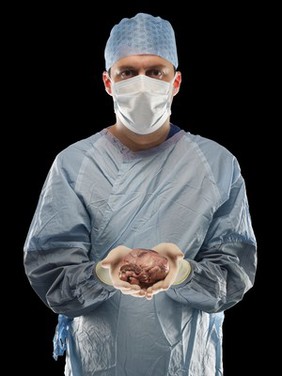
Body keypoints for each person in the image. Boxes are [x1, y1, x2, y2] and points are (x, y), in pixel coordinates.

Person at [23, 12, 257, 376]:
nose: (143, 83)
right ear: (107, 81)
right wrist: (103, 274)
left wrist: (180, 272)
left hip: (189, 363)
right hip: (96, 361)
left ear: (176, 81)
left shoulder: (217, 165)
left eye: (156, 72)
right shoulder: (74, 164)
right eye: (128, 72)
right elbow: (51, 275)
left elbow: (235, 273)